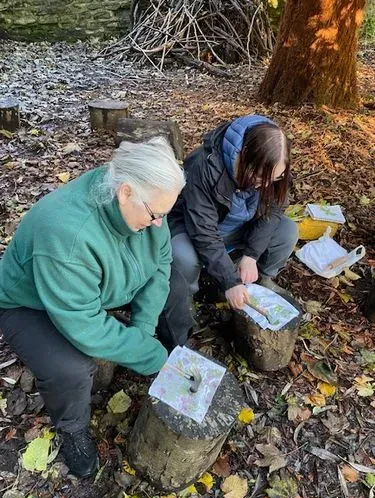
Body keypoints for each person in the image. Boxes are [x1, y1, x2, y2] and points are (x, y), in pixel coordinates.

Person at [0, 137, 185, 477]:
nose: (160, 223)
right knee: (70, 366)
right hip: (32, 304)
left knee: (175, 289)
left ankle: (165, 355)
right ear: (125, 192)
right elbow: (86, 326)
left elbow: (160, 265)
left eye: (165, 214)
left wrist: (142, 333)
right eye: (155, 214)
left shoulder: (146, 199)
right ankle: (72, 429)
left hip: (97, 288)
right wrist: (151, 355)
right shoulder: (66, 236)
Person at [158, 114, 298, 351]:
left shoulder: (274, 164)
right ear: (243, 158)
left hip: (237, 229)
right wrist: (230, 281)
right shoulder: (202, 165)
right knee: (183, 255)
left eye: (275, 178)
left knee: (287, 230)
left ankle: (262, 281)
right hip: (194, 229)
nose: (267, 184)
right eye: (262, 177)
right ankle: (187, 298)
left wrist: (252, 255)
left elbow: (273, 213)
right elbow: (203, 231)